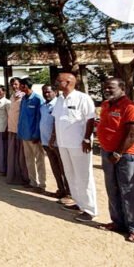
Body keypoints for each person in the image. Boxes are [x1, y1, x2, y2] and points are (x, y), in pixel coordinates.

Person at [95, 78, 134, 244]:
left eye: (110, 87)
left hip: (125, 155)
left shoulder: (131, 107)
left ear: (122, 88)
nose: (107, 90)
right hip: (107, 152)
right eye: (105, 87)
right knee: (112, 188)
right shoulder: (105, 105)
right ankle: (118, 222)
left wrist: (118, 153)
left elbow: (133, 134)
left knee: (130, 191)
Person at [50, 73, 97, 222]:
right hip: (64, 144)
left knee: (84, 176)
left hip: (79, 144)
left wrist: (86, 139)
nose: (56, 82)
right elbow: (57, 119)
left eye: (59, 80)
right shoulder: (59, 99)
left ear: (69, 82)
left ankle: (90, 210)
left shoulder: (83, 98)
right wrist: (54, 137)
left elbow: (91, 120)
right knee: (71, 175)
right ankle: (78, 203)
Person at [39, 85, 71, 203]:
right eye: (44, 92)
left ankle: (69, 193)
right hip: (46, 142)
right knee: (55, 168)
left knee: (63, 168)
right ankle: (61, 189)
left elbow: (57, 123)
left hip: (58, 143)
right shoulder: (43, 106)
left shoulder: (59, 105)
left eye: (48, 92)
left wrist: (53, 138)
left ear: (55, 92)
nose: (46, 94)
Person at [17, 78, 46, 192]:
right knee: (29, 160)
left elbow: (40, 118)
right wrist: (20, 133)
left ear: (24, 86)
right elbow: (21, 118)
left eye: (20, 85)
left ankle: (42, 184)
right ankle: (33, 182)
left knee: (39, 160)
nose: (19, 88)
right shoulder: (23, 99)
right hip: (24, 135)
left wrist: (36, 134)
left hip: (34, 136)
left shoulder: (38, 99)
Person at [6, 78, 29, 186]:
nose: (14, 86)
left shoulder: (24, 96)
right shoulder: (11, 96)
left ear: (20, 85)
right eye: (12, 84)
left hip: (20, 130)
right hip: (12, 129)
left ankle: (25, 178)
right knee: (13, 155)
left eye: (16, 84)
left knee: (22, 156)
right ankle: (14, 176)